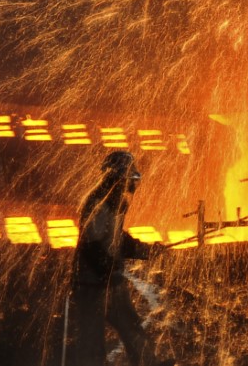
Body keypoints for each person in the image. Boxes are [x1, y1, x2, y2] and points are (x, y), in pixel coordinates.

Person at [69, 151, 171, 366]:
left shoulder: (115, 202)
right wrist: (107, 265)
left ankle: (147, 363)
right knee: (91, 341)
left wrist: (147, 251)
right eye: (130, 180)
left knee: (131, 327)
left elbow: (117, 239)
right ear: (117, 178)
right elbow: (91, 245)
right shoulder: (98, 204)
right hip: (91, 286)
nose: (133, 185)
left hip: (111, 282)